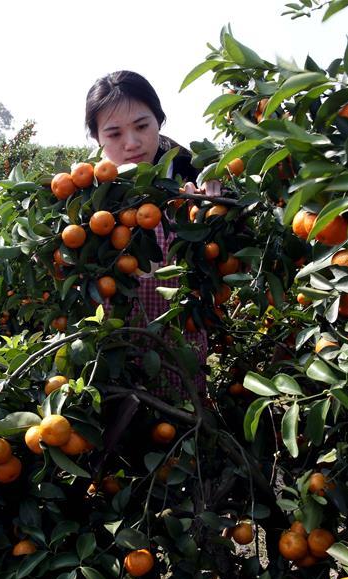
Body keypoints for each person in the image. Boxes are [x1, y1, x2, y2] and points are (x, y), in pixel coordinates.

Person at [85, 70, 222, 394]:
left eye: (142, 126)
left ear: (159, 120)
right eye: (115, 133)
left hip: (181, 351)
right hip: (115, 356)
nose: (131, 143)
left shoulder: (193, 178)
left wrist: (215, 210)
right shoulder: (87, 198)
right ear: (97, 138)